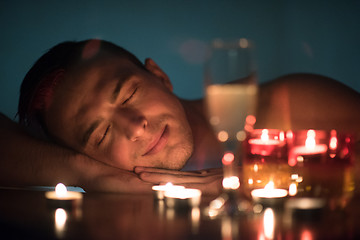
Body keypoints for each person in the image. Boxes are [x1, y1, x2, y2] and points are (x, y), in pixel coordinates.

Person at [1, 39, 360, 194]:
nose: (133, 126)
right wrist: (89, 175)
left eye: (128, 94)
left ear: (159, 76)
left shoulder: (288, 105)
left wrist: (270, 180)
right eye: (101, 136)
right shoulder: (114, 204)